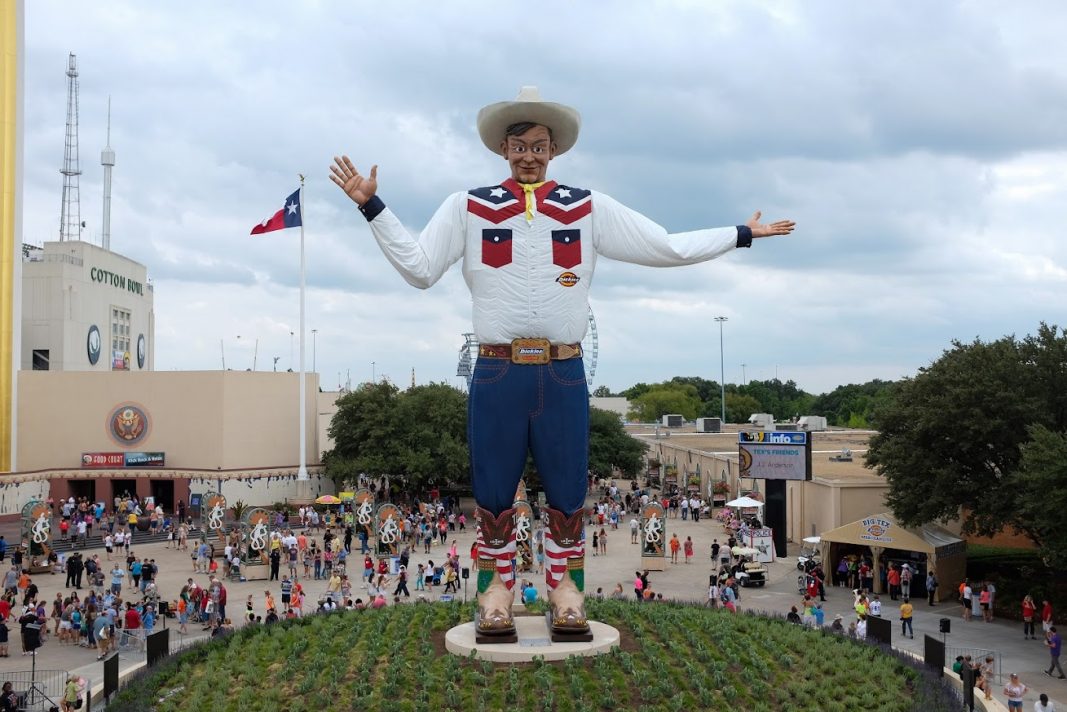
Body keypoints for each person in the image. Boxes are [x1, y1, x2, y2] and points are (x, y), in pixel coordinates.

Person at [332, 86, 793, 638]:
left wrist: (740, 234)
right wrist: (372, 206)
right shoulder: (469, 206)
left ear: (556, 150)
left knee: (569, 489)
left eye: (540, 145)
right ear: (502, 148)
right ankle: (495, 592)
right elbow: (419, 268)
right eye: (520, 145)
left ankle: (565, 589)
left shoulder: (587, 207)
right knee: (495, 490)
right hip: (499, 368)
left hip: (564, 369)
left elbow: (664, 246)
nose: (529, 155)